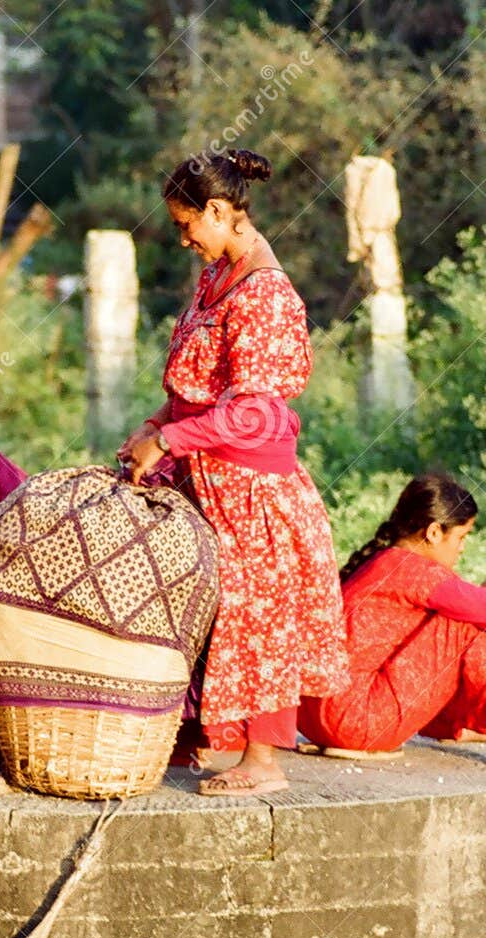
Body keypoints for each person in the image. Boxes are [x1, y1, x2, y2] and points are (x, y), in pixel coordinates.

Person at [120, 148, 349, 797]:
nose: (183, 237)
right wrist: (153, 425)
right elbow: (198, 384)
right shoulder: (217, 274)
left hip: (250, 486)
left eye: (187, 223)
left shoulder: (265, 294)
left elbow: (253, 414)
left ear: (219, 211)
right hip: (203, 469)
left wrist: (169, 436)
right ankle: (194, 732)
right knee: (196, 602)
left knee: (254, 614)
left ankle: (263, 760)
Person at [298, 473, 486, 786]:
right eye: (462, 537)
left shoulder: (384, 562)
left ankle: (461, 726)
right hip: (352, 720)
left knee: (448, 624)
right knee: (466, 626)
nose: (462, 548)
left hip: (318, 716)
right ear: (434, 532)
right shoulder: (416, 571)